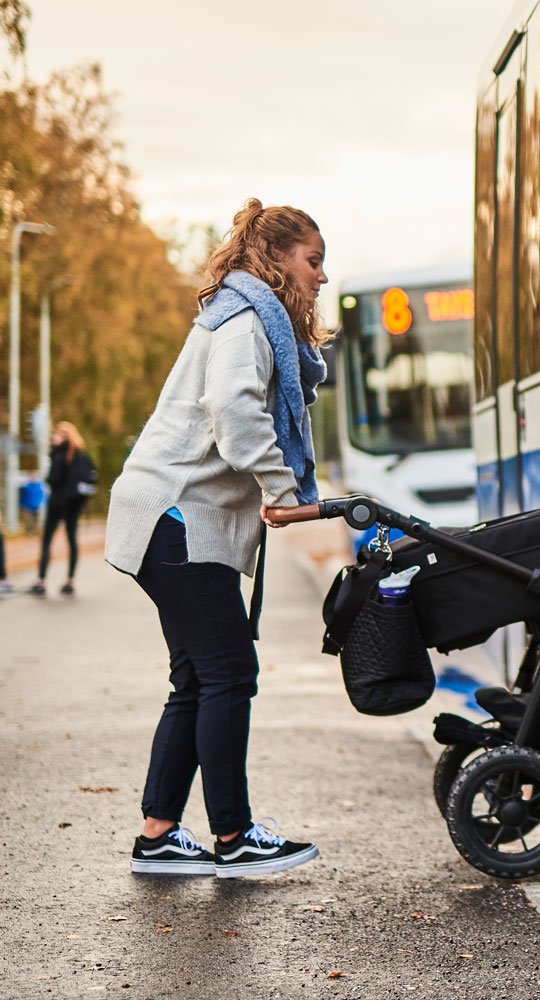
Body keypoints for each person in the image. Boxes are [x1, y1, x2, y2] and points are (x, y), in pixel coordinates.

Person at [104, 198, 329, 877]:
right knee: (230, 672)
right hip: (175, 522)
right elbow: (233, 413)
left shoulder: (245, 317)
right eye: (313, 261)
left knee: (199, 678)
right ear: (278, 259)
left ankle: (159, 835)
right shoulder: (245, 320)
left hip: (167, 519)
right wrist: (283, 492)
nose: (321, 276)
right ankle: (232, 838)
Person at [29, 421, 97, 597]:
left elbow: (53, 479)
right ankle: (70, 580)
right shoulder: (82, 457)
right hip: (73, 506)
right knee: (72, 540)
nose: (53, 438)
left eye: (56, 435)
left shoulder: (59, 455)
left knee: (47, 540)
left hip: (57, 504)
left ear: (63, 436)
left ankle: (41, 580)